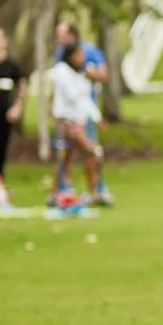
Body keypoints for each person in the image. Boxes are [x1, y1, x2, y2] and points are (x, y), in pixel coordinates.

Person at [51, 22, 113, 205]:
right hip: (68, 122)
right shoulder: (62, 72)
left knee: (67, 157)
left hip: (79, 120)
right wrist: (84, 79)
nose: (83, 58)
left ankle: (62, 192)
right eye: (79, 55)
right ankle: (90, 192)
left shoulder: (80, 72)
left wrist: (97, 117)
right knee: (90, 151)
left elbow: (86, 98)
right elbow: (74, 96)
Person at [0, 28, 24, 210]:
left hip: (4, 116)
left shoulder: (11, 65)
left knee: (1, 151)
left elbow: (22, 85)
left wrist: (17, 107)